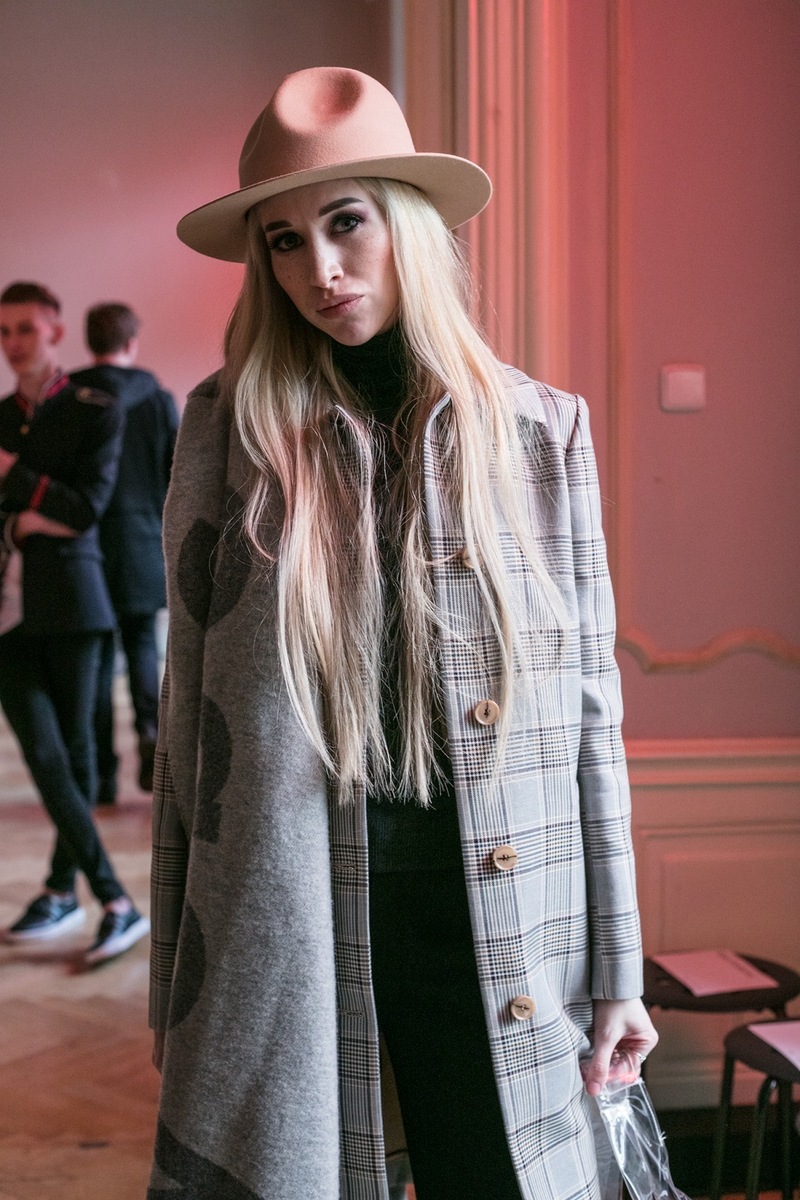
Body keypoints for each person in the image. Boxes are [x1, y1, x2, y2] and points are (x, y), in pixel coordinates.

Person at [148, 67, 658, 1200]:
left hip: (501, 920)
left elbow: (591, 716)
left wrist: (618, 971)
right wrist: (178, 991)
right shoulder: (228, 435)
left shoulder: (538, 434)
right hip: (295, 915)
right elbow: (191, 728)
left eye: (347, 223)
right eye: (284, 242)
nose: (319, 270)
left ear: (407, 224)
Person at [0, 281, 150, 965]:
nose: (13, 343)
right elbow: (53, 510)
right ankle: (111, 899)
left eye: (25, 329)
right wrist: (29, 517)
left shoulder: (97, 408)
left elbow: (86, 509)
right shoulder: (0, 416)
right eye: (4, 332)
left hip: (75, 603)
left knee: (78, 755)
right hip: (8, 612)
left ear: (56, 332)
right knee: (45, 753)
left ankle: (66, 890)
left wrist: (14, 478)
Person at [71, 303, 179, 802]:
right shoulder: (157, 399)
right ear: (131, 342)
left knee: (94, 657)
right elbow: (177, 474)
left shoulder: (71, 396)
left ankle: (102, 774)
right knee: (141, 647)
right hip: (142, 539)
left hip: (86, 543)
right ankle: (151, 747)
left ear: (89, 340)